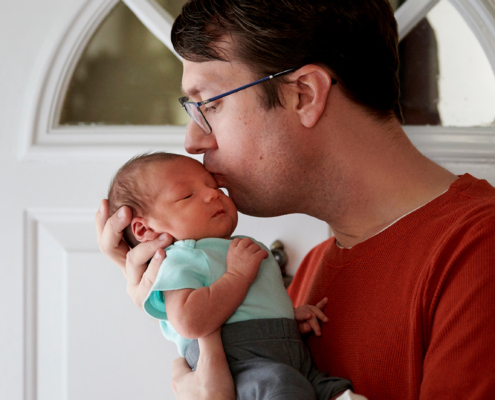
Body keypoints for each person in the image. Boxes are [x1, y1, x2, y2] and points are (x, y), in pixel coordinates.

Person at [95, 0, 495, 399]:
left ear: (303, 95)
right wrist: (168, 292)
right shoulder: (304, 276)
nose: (193, 141)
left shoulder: (478, 253)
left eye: (210, 104)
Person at [106, 152, 354, 400]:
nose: (213, 194)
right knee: (282, 387)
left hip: (284, 354)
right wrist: (237, 276)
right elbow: (190, 320)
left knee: (334, 389)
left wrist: (285, 317)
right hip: (238, 361)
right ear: (144, 229)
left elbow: (246, 305)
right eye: (187, 195)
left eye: (214, 186)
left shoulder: (229, 247)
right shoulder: (178, 258)